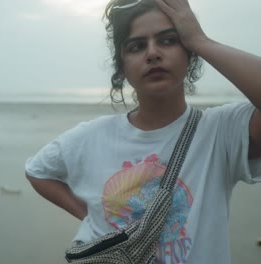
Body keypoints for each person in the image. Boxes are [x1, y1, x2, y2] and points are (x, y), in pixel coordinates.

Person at [24, 0, 261, 263]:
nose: (153, 53)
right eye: (137, 46)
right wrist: (90, 217)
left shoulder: (220, 132)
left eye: (168, 40)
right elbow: (37, 170)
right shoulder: (92, 137)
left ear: (189, 54)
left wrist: (200, 40)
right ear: (122, 68)